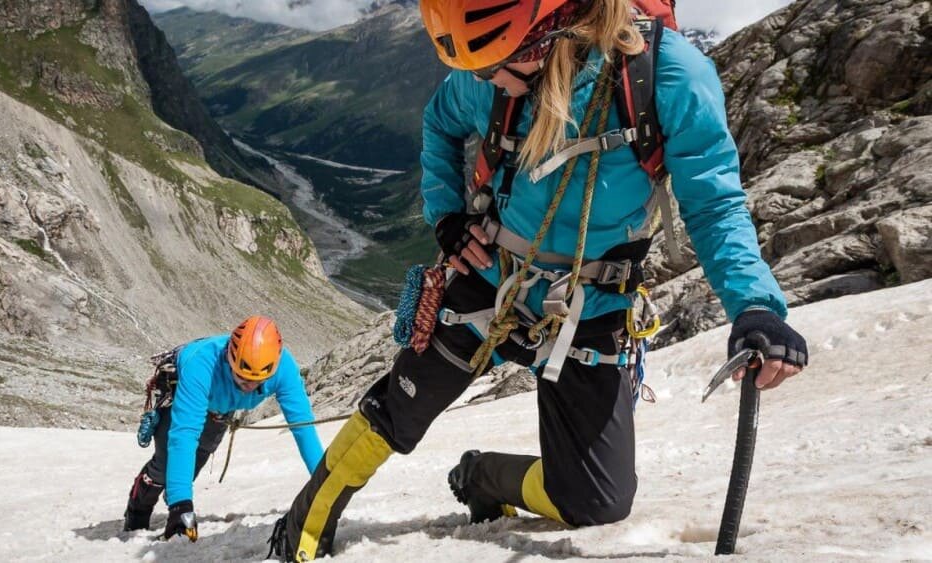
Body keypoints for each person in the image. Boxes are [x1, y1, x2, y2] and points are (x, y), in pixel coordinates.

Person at [267, 0, 809, 560]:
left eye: (501, 63)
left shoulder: (667, 77)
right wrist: (448, 218)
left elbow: (716, 204)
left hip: (590, 306)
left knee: (598, 501)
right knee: (397, 411)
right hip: (489, 279)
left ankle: (483, 478)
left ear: (553, 30)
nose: (487, 80)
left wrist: (754, 307)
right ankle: (305, 521)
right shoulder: (498, 73)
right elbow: (440, 123)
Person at [122, 316, 323, 541]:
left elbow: (303, 427)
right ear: (229, 358)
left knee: (197, 458)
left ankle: (174, 493)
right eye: (242, 378)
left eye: (257, 382)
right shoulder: (201, 364)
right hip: (183, 391)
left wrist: (323, 482)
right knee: (165, 463)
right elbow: (185, 434)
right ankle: (137, 511)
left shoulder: (284, 368)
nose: (248, 388)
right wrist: (181, 505)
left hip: (219, 408)